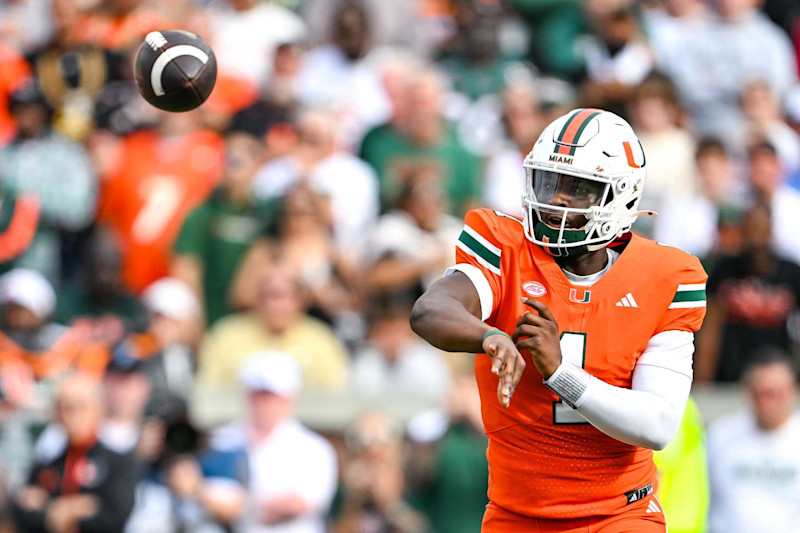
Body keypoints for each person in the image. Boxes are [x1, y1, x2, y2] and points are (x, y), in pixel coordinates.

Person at [410, 108, 707, 531]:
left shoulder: (664, 276)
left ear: (619, 195)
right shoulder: (505, 247)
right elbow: (430, 311)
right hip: (516, 514)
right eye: (551, 182)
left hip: (619, 515)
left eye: (578, 188)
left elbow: (657, 424)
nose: (558, 199)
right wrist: (489, 335)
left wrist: (561, 373)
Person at [172, 131, 278, 325]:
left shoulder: (268, 214)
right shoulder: (202, 214)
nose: (229, 168)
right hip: (211, 318)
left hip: (255, 323)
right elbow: (186, 271)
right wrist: (196, 324)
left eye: (237, 161)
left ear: (257, 165)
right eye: (225, 160)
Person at [10, 373, 138, 532]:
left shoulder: (118, 462)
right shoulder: (47, 464)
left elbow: (116, 513)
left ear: (98, 409)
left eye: (80, 406)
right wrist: (64, 510)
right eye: (65, 408)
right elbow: (24, 511)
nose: (72, 416)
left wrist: (69, 512)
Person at [196, 261, 349, 392]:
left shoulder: (321, 340)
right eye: (268, 295)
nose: (274, 305)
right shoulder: (226, 336)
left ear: (300, 299)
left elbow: (339, 394)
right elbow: (206, 392)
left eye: (281, 296)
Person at [694, 203, 800, 382]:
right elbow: (711, 328)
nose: (756, 238)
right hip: (731, 376)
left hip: (778, 376)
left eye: (761, 229)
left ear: (771, 230)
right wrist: (703, 380)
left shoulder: (791, 273)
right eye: (751, 229)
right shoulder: (724, 270)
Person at [238, 351, 338, 533]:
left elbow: (300, 505)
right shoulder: (223, 440)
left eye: (272, 395)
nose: (264, 403)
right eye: (258, 394)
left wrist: (240, 506)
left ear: (291, 397)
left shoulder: (314, 449)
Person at [707, 351, 800, 532]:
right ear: (746, 390)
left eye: (775, 393)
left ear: (792, 390)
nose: (768, 403)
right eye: (760, 393)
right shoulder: (719, 435)